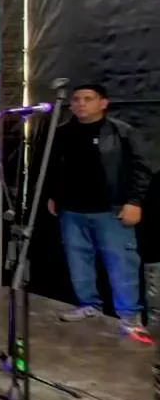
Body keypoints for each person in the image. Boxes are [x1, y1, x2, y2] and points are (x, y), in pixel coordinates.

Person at [46, 83, 151, 337]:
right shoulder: (62, 133)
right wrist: (54, 195)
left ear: (103, 103)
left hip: (111, 210)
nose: (81, 103)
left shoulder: (121, 132)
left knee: (121, 263)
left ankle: (130, 316)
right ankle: (89, 305)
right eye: (76, 99)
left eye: (88, 99)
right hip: (72, 211)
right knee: (78, 261)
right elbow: (54, 166)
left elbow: (141, 168)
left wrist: (134, 201)